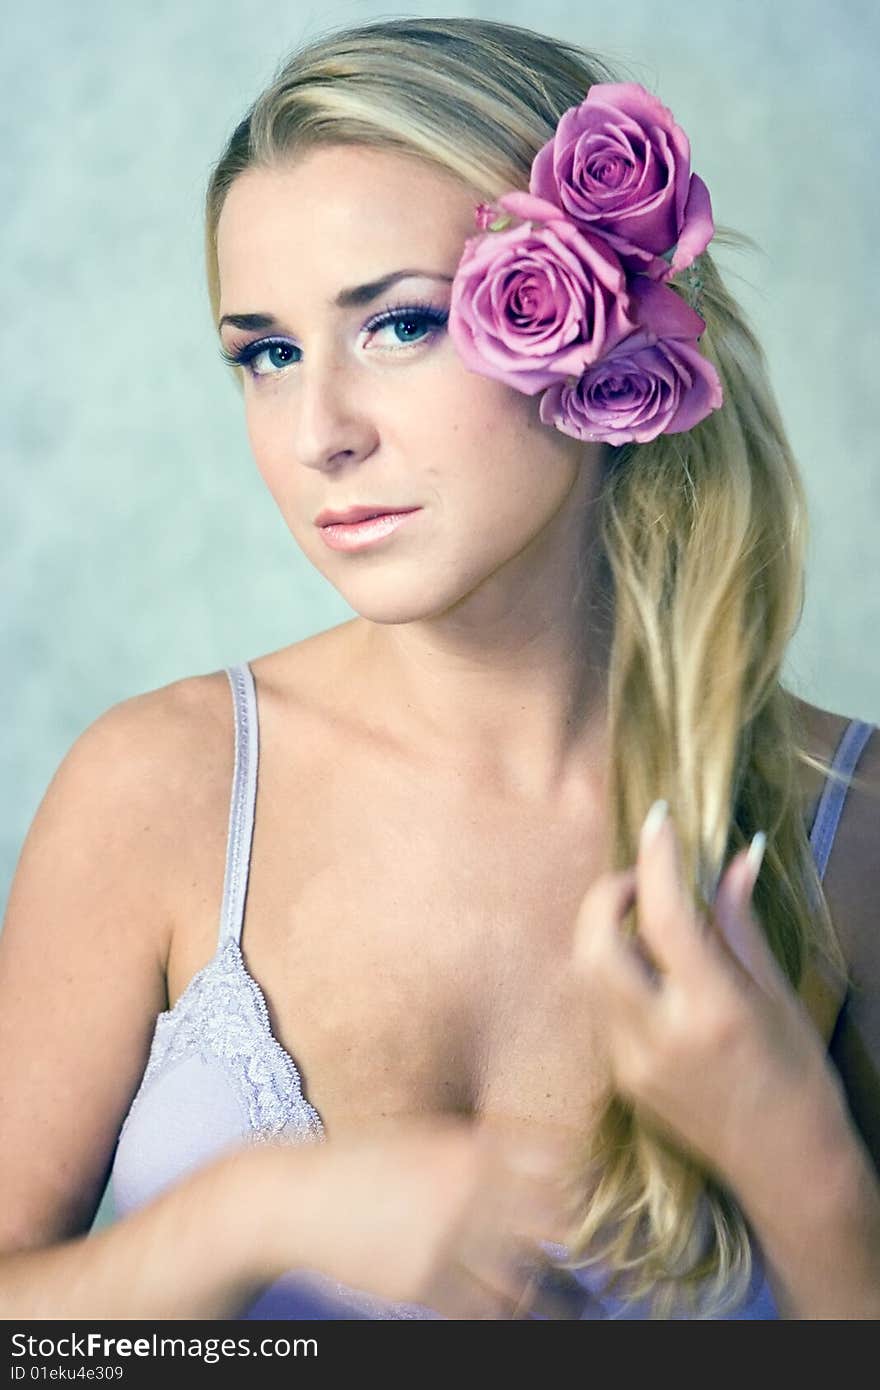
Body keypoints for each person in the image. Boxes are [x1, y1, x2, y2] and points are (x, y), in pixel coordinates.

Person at [1, 15, 878, 1321]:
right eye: (268, 353)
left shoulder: (848, 829)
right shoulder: (160, 789)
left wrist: (807, 1177)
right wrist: (248, 1217)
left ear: (606, 323)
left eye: (401, 325)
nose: (319, 433)